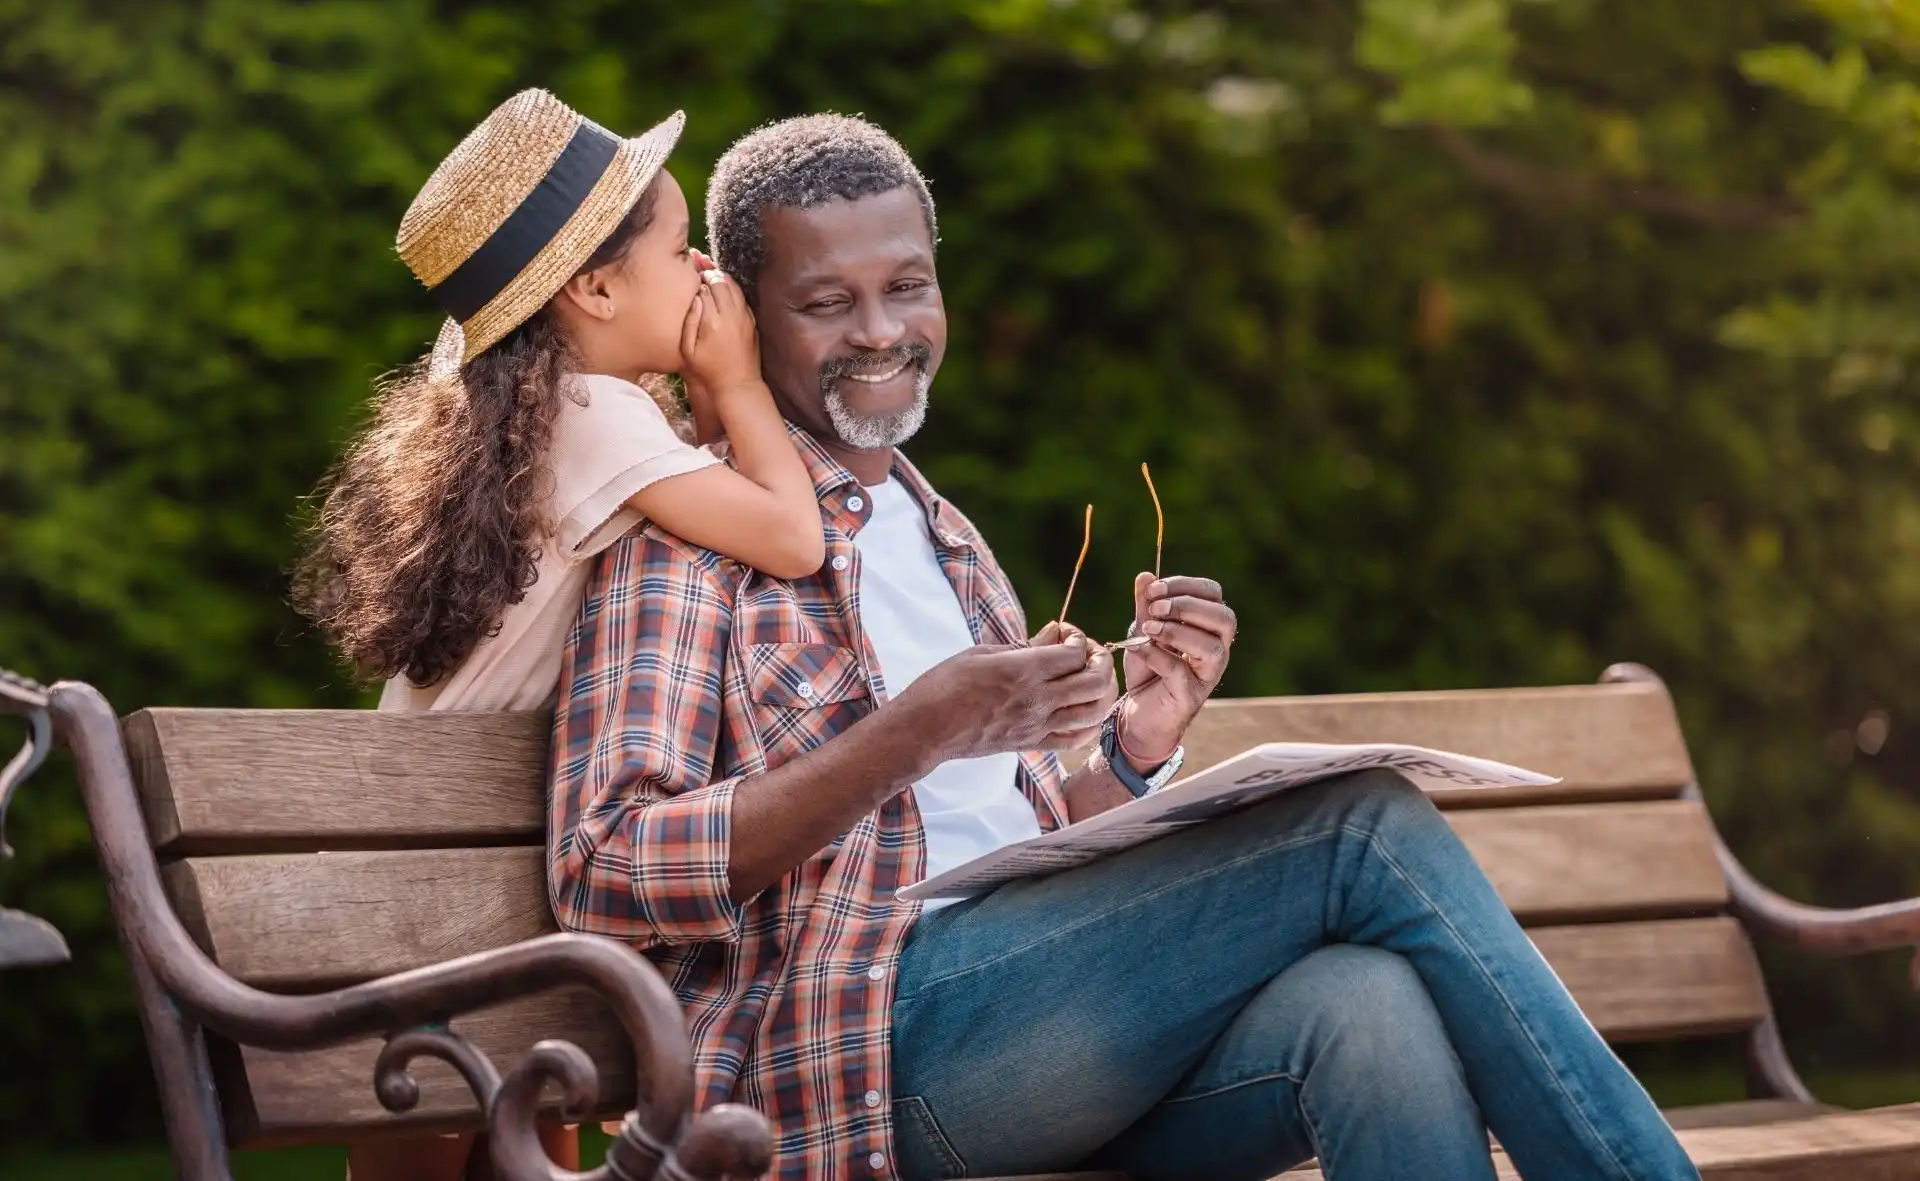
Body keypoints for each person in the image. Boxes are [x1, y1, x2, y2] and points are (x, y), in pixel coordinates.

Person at [546, 113, 1700, 1181]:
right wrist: (919, 729)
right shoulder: (687, 548)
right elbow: (603, 868)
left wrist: (1138, 746)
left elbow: (1012, 834)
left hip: (1037, 1031)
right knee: (1363, 825)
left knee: (1367, 1006)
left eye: (907, 286)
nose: (884, 330)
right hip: (867, 1060)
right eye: (827, 303)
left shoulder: (939, 533)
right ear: (738, 312)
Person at [293, 89, 826, 1181]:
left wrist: (711, 407)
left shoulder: (554, 417)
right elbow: (790, 536)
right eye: (684, 253)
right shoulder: (600, 418)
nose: (707, 279)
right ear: (593, 286)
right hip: (452, 891)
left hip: (430, 859)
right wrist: (732, 379)